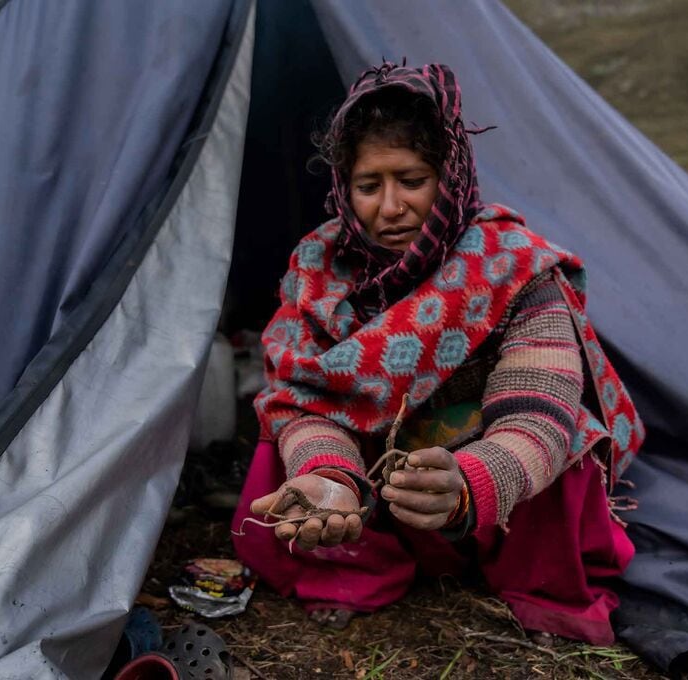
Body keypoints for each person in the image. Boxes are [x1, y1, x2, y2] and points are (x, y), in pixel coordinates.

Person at [231, 62, 644, 645]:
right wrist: (330, 476)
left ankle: (534, 586)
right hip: (375, 487)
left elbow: (541, 412)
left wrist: (473, 483)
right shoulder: (319, 268)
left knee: (571, 440)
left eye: (412, 179)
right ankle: (353, 567)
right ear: (344, 190)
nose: (390, 207)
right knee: (280, 445)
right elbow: (303, 402)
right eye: (369, 185)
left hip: (480, 486)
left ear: (449, 179)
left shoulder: (512, 266)